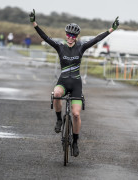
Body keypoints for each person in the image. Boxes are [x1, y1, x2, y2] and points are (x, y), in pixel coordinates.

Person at [30, 9, 119, 157]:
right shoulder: (59, 46)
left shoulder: (81, 47)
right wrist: (34, 23)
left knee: (76, 114)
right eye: (68, 34)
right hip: (63, 81)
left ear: (76, 37)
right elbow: (45, 37)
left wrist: (111, 29)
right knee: (57, 93)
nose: (70, 37)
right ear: (66, 35)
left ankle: (75, 142)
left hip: (76, 84)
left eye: (73, 35)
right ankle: (59, 120)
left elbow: (97, 39)